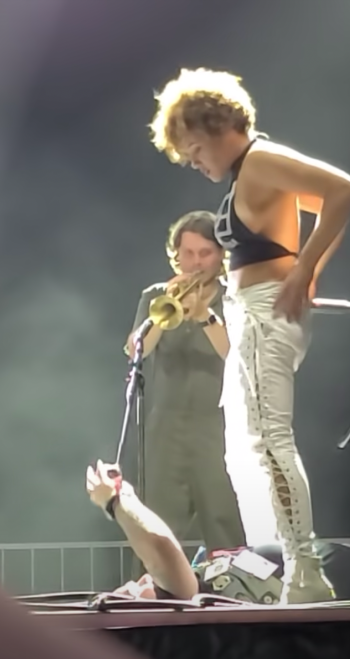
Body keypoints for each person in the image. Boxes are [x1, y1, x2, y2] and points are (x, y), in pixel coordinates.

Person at [148, 68, 350, 603]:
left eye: (195, 149)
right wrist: (304, 266)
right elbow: (319, 210)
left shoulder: (263, 161)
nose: (195, 163)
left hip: (267, 311)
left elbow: (342, 192)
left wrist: (304, 271)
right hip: (250, 310)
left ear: (219, 127)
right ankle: (275, 568)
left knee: (268, 442)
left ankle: (306, 573)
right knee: (245, 451)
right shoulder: (249, 174)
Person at [85, 461, 350, 604]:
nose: (132, 581)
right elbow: (160, 551)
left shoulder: (204, 576)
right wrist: (117, 500)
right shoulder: (178, 600)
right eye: (127, 592)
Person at [123, 210, 245, 554]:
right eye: (188, 254)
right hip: (165, 429)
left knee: (225, 525)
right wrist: (165, 311)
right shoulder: (156, 295)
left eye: (205, 253)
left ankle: (237, 600)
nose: (195, 263)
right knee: (157, 529)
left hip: (218, 430)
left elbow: (236, 355)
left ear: (220, 256)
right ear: (175, 256)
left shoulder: (233, 298)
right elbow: (136, 349)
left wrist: (205, 315)